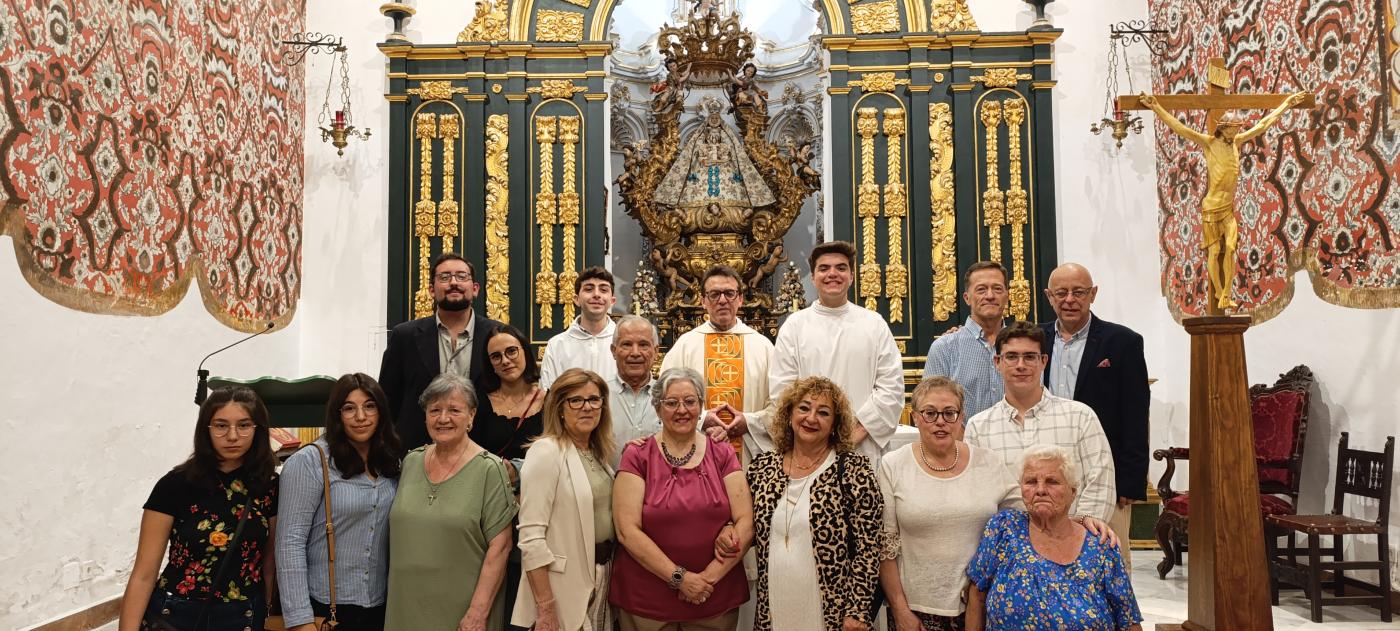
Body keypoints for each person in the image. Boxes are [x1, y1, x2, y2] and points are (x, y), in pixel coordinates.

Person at [118, 387, 279, 631]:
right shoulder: (175, 485)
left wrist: (267, 613)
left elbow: (270, 566)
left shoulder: (269, 487)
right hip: (175, 614)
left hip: (243, 616)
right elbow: (144, 573)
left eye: (244, 425)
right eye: (221, 426)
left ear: (258, 429)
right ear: (206, 430)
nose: (232, 436)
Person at [610, 367, 753, 630]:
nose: (681, 410)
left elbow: (746, 521)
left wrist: (706, 580)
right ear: (657, 408)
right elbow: (626, 530)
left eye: (690, 401)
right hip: (647, 600)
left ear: (701, 407)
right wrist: (680, 579)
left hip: (713, 596)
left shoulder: (721, 452)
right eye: (671, 403)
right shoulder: (637, 455)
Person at [1139, 91, 1308, 310]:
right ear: (1224, 128)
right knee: (1215, 251)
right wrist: (1156, 107)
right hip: (1211, 208)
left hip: (1228, 209)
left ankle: (1227, 293)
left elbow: (1264, 124)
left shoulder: (1236, 143)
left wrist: (1286, 104)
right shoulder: (1209, 143)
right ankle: (1220, 293)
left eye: (1238, 128)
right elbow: (1180, 128)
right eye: (1234, 128)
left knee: (1230, 248)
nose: (1237, 131)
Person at [741, 376, 883, 631]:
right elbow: (745, 525)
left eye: (824, 412)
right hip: (774, 606)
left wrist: (857, 610)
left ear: (835, 424)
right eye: (804, 408)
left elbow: (869, 548)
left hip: (833, 613)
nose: (811, 418)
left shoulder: (853, 469)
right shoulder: (763, 467)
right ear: (789, 413)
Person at [877, 377, 1020, 631]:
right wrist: (899, 609)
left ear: (961, 417)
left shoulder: (989, 463)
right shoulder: (893, 465)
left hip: (980, 605)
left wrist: (1081, 520)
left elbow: (1028, 517)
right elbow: (885, 547)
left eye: (949, 413)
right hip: (916, 611)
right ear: (916, 418)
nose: (940, 421)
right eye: (930, 413)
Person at [384, 373, 519, 630]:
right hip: (406, 606)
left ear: (471, 416)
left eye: (454, 410)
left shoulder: (489, 469)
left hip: (464, 611)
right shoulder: (411, 461)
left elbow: (500, 549)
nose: (443, 418)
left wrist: (478, 613)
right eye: (435, 410)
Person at [1040, 263, 1150, 568]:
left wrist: (1130, 480)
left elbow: (1135, 413)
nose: (1070, 299)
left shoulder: (1123, 342)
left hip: (1104, 476)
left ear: (1093, 294)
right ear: (1049, 296)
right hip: (1048, 473)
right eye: (1061, 292)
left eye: (1079, 292)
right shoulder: (1037, 339)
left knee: (1108, 560)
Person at [967, 445, 1143, 631]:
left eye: (1052, 482)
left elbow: (1128, 619)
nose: (1040, 490)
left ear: (1073, 493)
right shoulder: (1003, 529)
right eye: (1031, 482)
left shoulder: (1101, 545)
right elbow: (976, 597)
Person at [277, 373, 403, 631]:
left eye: (370, 406)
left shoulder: (392, 462)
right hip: (324, 610)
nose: (360, 417)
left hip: (379, 608)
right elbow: (289, 542)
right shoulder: (310, 462)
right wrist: (300, 620)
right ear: (336, 414)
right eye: (349, 408)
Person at [964, 321, 1117, 524]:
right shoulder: (978, 427)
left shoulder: (1079, 417)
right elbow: (976, 492)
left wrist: (1081, 532)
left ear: (1043, 361)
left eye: (1029, 357)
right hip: (1008, 544)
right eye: (1011, 357)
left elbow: (1101, 479)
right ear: (997, 362)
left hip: (1072, 540)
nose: (1021, 365)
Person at [769, 241, 904, 469]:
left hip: (860, 447)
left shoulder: (874, 324)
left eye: (841, 268)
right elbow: (783, 391)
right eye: (824, 268)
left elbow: (891, 388)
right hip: (808, 448)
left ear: (852, 276)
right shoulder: (795, 326)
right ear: (813, 277)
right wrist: (814, 434)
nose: (832, 274)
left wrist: (852, 435)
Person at [513, 368, 618, 631]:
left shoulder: (598, 453)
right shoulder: (546, 452)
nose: (587, 407)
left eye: (594, 399)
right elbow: (531, 537)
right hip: (560, 588)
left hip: (602, 577)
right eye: (576, 400)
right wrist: (545, 606)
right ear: (560, 407)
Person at [380, 252, 504, 449]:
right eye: (445, 277)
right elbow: (387, 400)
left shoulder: (498, 335)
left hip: (483, 451)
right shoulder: (405, 336)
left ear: (475, 289)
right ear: (431, 289)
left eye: (462, 276)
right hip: (417, 453)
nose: (453, 283)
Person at [661, 264, 774, 465]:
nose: (722, 300)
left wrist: (748, 422)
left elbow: (781, 403)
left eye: (729, 293)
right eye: (714, 294)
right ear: (703, 300)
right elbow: (663, 398)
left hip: (749, 453)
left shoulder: (763, 347)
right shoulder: (686, 345)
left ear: (740, 299)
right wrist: (702, 419)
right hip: (694, 450)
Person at [923, 261, 1009, 420]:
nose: (990, 296)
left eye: (997, 289)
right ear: (967, 298)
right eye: (981, 289)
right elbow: (931, 408)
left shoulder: (1022, 346)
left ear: (1007, 295)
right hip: (962, 443)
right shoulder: (945, 348)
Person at [540, 267, 619, 389]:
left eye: (603, 290)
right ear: (576, 299)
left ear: (612, 301)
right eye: (589, 289)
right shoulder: (557, 345)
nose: (596, 294)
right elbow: (548, 394)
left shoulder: (623, 343)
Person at [607, 315, 661, 466]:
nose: (635, 352)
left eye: (643, 345)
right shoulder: (598, 396)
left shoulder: (670, 398)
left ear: (656, 351)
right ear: (613, 350)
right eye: (627, 344)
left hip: (660, 487)